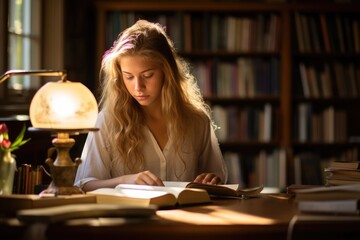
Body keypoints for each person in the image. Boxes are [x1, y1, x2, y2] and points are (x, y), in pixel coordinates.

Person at [74, 20, 227, 192]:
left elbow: (216, 175)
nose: (138, 87)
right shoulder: (108, 121)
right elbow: (83, 184)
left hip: (186, 216)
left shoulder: (197, 121)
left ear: (167, 72)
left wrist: (213, 178)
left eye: (147, 75)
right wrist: (125, 181)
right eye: (129, 77)